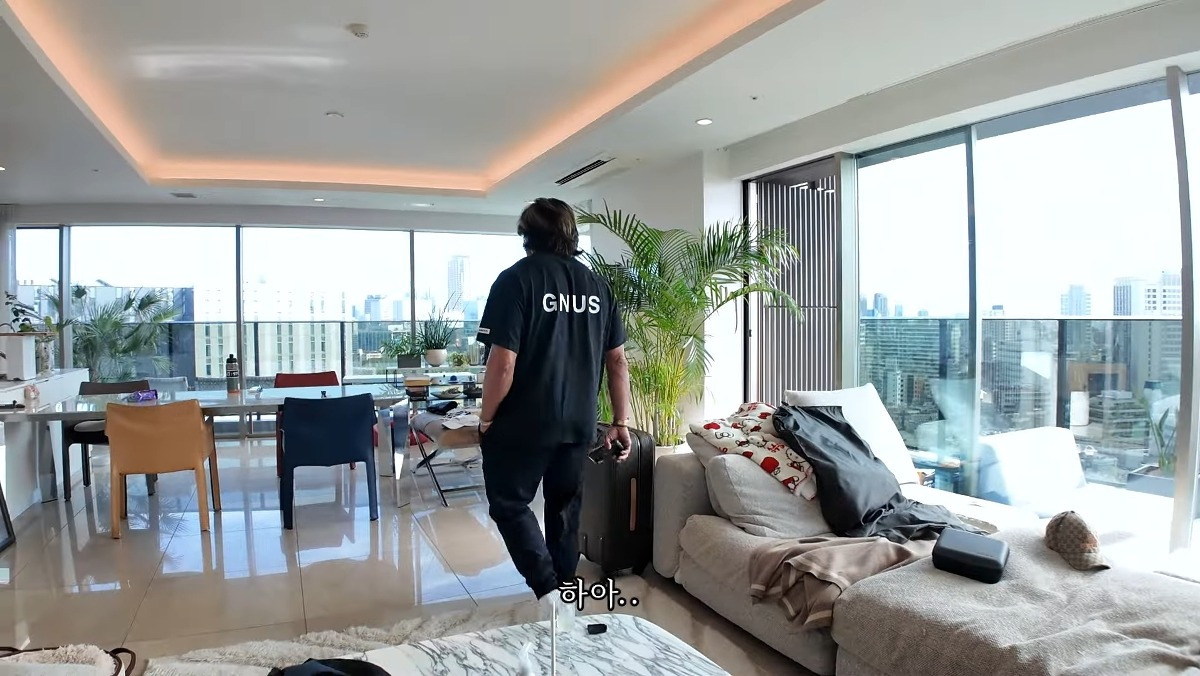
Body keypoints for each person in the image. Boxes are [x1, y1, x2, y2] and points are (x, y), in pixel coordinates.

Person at [475, 197, 632, 629]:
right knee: (564, 510)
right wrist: (620, 422)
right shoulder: (598, 287)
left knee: (509, 503)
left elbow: (502, 363)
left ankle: (548, 590)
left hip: (523, 423)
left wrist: (486, 418)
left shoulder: (515, 280)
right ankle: (565, 595)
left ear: (526, 236)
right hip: (579, 423)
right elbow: (618, 362)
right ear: (571, 235)